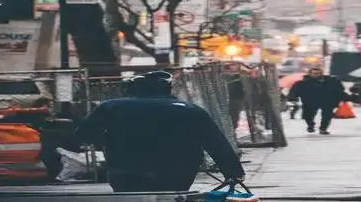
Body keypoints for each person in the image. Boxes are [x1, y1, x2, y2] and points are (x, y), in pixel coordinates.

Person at [74, 71, 245, 192]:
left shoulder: (111, 107)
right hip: (177, 174)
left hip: (125, 172)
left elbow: (82, 136)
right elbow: (216, 144)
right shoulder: (191, 110)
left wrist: (107, 140)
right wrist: (233, 173)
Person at [287, 66, 347, 135]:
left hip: (326, 100)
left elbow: (338, 89)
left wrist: (340, 92)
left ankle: (323, 129)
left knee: (327, 115)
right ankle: (310, 125)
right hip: (310, 101)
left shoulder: (328, 81)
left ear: (321, 73)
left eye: (318, 73)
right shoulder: (303, 82)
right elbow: (294, 91)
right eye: (314, 73)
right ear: (310, 74)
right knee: (308, 115)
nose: (316, 75)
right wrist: (293, 97)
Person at [226, 62, 247, 130]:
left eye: (234, 65)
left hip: (236, 97)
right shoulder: (241, 73)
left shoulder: (242, 73)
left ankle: (233, 126)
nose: (233, 67)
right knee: (234, 112)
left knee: (234, 112)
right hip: (235, 97)